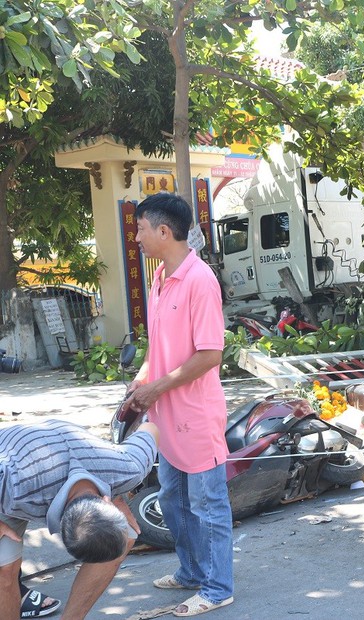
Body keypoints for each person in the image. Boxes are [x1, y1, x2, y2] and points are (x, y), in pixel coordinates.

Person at [124, 193, 234, 617]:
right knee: (172, 499)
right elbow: (159, 348)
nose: (137, 238)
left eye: (141, 229)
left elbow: (209, 355)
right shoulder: (158, 279)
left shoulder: (199, 280)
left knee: (208, 506)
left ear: (164, 232)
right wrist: (142, 381)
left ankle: (218, 586)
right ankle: (191, 571)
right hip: (165, 416)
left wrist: (156, 389)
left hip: (196, 416)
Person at [0, 419, 160, 620]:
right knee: (4, 569)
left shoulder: (131, 467)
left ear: (106, 501)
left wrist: (118, 490)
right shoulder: (14, 485)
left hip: (79, 455)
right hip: (17, 455)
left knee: (125, 534)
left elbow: (150, 427)